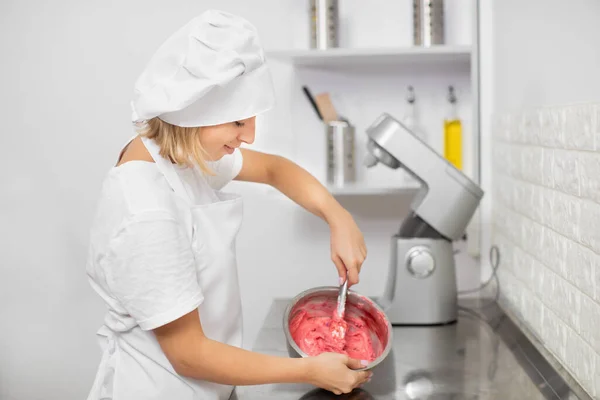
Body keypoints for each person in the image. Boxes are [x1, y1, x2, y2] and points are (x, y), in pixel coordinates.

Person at [86, 9, 370, 400]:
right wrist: (308, 370)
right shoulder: (147, 212)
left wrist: (338, 217)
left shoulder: (176, 156)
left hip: (207, 385)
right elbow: (188, 354)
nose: (250, 136)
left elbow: (273, 170)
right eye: (237, 122)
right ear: (190, 113)